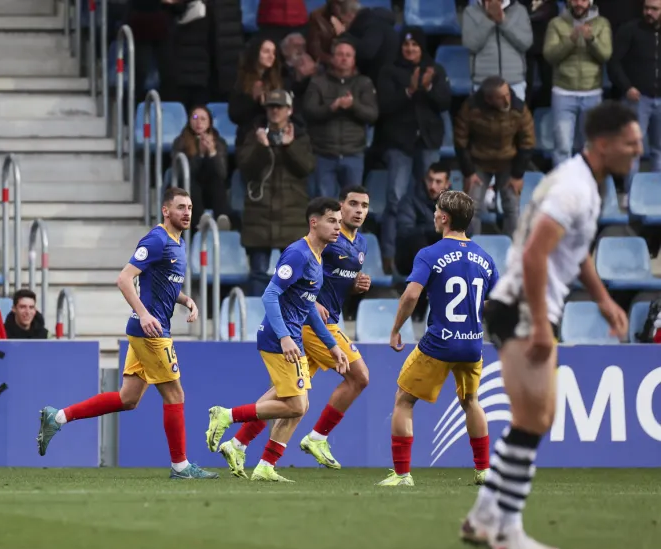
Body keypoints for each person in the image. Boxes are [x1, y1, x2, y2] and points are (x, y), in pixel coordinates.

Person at [461, 101, 640, 549]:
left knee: (533, 419)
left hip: (527, 306)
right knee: (536, 418)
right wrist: (541, 324)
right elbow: (535, 255)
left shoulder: (586, 184)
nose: (638, 150)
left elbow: (573, 251)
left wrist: (602, 299)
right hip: (524, 306)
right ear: (604, 144)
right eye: (631, 142)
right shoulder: (574, 189)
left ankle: (484, 517)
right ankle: (507, 529)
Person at [37, 187, 216, 480]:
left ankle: (57, 417)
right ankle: (181, 466)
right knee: (175, 395)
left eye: (190, 207)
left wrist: (185, 300)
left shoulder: (178, 243)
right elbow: (124, 279)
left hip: (151, 327)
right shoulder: (156, 240)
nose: (186, 213)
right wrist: (144, 314)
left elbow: (162, 283)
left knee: (128, 398)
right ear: (165, 210)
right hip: (151, 330)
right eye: (181, 207)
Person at [205, 197, 350, 482]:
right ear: (314, 222)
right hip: (277, 338)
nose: (338, 227)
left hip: (292, 335)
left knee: (298, 405)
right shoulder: (298, 254)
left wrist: (332, 346)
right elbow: (270, 295)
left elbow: (307, 306)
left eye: (339, 222)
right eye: (332, 221)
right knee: (296, 405)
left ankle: (264, 465)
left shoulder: (317, 256)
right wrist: (284, 336)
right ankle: (226, 416)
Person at [382, 190, 499, 488]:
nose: (434, 215)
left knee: (404, 400)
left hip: (440, 342)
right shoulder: (485, 258)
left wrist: (396, 328)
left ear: (444, 218)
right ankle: (484, 470)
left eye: (436, 211)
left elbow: (411, 294)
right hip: (473, 343)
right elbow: (494, 303)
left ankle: (402, 474)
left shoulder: (430, 253)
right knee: (471, 401)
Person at [297, 185, 371, 467]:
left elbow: (335, 281)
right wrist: (309, 299)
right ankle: (317, 436)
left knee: (290, 394)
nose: (359, 210)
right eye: (353, 204)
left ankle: (237, 438)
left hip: (326, 320)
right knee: (360, 377)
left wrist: (356, 286)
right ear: (341, 206)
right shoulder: (328, 237)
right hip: (315, 323)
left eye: (364, 205)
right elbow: (301, 266)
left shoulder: (360, 244)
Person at [375, 27, 450, 271]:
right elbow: (383, 106)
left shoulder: (435, 70)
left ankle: (434, 256)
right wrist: (410, 90)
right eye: (406, 45)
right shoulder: (389, 71)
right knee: (395, 200)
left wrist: (427, 88)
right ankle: (389, 256)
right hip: (399, 143)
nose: (410, 49)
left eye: (415, 45)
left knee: (435, 199)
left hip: (427, 142)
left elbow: (444, 102)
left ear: (421, 48)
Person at [237, 89, 316, 296]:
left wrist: (289, 146)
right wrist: (261, 147)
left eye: (279, 107)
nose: (274, 111)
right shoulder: (255, 135)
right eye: (271, 107)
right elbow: (245, 168)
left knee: (293, 276)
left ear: (289, 110)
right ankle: (255, 323)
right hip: (259, 216)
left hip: (291, 216)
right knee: (258, 274)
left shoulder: (300, 137)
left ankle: (290, 323)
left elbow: (306, 167)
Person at [455, 76, 536, 237]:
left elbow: (528, 142)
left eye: (508, 94)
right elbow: (460, 141)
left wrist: (517, 175)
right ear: (489, 99)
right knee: (471, 208)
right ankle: (471, 251)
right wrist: (469, 173)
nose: (508, 99)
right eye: (502, 97)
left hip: (508, 163)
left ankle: (512, 253)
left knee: (512, 208)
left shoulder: (518, 108)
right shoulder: (471, 108)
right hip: (479, 163)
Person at [302, 38, 378, 200]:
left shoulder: (364, 83)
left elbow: (372, 115)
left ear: (354, 59)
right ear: (332, 58)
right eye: (340, 54)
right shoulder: (318, 82)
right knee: (324, 204)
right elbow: (309, 112)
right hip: (323, 153)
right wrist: (332, 107)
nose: (344, 58)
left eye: (348, 55)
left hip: (353, 153)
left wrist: (353, 105)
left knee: (354, 205)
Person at [543, 0, 612, 167]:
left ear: (590, 2)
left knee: (590, 147)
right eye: (574, 0)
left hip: (592, 93)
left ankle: (587, 187)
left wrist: (592, 40)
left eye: (582, 0)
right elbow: (549, 55)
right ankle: (562, 189)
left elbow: (605, 55)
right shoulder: (556, 23)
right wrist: (570, 40)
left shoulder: (602, 23)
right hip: (563, 93)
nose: (578, 4)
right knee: (562, 147)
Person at [609, 0, 661, 191]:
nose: (649, 12)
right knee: (632, 149)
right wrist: (627, 87)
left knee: (659, 150)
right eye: (646, 8)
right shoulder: (630, 30)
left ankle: (656, 196)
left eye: (654, 9)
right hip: (638, 100)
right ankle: (631, 195)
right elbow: (614, 62)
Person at [170, 105, 232, 230]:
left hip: (211, 189)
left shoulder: (219, 142)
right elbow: (183, 174)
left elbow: (222, 173)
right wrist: (201, 155)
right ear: (189, 121)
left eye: (203, 119)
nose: (199, 122)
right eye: (195, 118)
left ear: (209, 123)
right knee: (192, 184)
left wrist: (213, 152)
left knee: (217, 181)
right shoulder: (180, 142)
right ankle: (200, 219)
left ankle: (222, 217)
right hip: (189, 190)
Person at [463, 0, 533, 102]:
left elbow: (526, 43)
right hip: (483, 83)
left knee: (515, 118)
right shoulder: (470, 12)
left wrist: (503, 21)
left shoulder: (519, 11)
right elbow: (471, 44)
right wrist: (489, 19)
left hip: (514, 82)